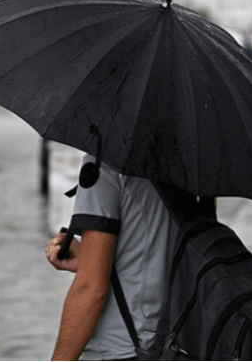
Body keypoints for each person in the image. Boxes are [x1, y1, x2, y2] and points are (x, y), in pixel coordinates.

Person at [44, 154, 181, 361]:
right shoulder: (182, 164)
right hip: (170, 345)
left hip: (115, 350)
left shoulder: (103, 165)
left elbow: (91, 290)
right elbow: (161, 254)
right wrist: (90, 259)